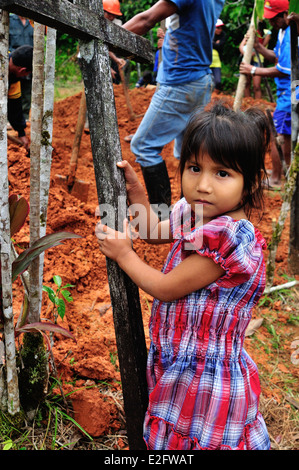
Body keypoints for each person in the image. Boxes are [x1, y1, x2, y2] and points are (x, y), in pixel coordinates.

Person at [95, 102, 271, 450]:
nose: (203, 185)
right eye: (194, 168)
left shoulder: (229, 237)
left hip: (206, 375)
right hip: (182, 359)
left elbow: (166, 288)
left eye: (222, 174)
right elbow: (151, 230)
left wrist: (124, 255)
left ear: (249, 185)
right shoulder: (195, 211)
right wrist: (136, 193)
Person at [123, 0, 225, 215]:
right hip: (199, 79)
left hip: (180, 82)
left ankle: (162, 217)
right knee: (188, 152)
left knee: (143, 146)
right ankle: (188, 214)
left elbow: (146, 19)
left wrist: (102, 35)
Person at [240, 0, 292, 188]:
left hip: (291, 93)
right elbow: (276, 57)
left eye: (275, 18)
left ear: (286, 14)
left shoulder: (292, 34)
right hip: (285, 92)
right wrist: (258, 46)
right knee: (284, 135)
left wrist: (253, 70)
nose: (271, 23)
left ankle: (277, 178)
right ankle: (284, 172)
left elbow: (283, 69)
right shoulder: (283, 32)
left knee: (280, 136)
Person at [9, 14, 34, 121]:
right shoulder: (10, 20)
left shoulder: (33, 21)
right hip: (14, 61)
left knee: (26, 92)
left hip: (29, 61)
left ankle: (25, 118)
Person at [8, 45, 33, 150]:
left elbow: (15, 105)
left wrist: (21, 133)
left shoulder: (14, 77)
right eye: (27, 73)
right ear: (22, 70)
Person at [239, 21, 271, 99]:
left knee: (256, 86)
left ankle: (257, 105)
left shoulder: (267, 32)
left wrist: (249, 53)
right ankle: (248, 102)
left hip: (258, 60)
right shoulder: (250, 31)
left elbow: (261, 47)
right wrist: (246, 53)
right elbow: (242, 45)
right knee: (246, 83)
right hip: (247, 60)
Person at [102, 0, 127, 84]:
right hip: (94, 54)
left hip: (111, 54)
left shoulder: (117, 24)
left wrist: (117, 60)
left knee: (115, 80)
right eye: (109, 14)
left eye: (114, 15)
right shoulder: (96, 22)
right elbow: (101, 46)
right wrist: (107, 68)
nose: (111, 17)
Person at [210, 19, 226, 92]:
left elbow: (220, 46)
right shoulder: (208, 34)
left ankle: (216, 96)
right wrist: (215, 44)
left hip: (217, 62)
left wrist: (212, 43)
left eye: (220, 28)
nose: (220, 30)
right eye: (217, 28)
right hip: (207, 62)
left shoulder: (223, 35)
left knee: (218, 81)